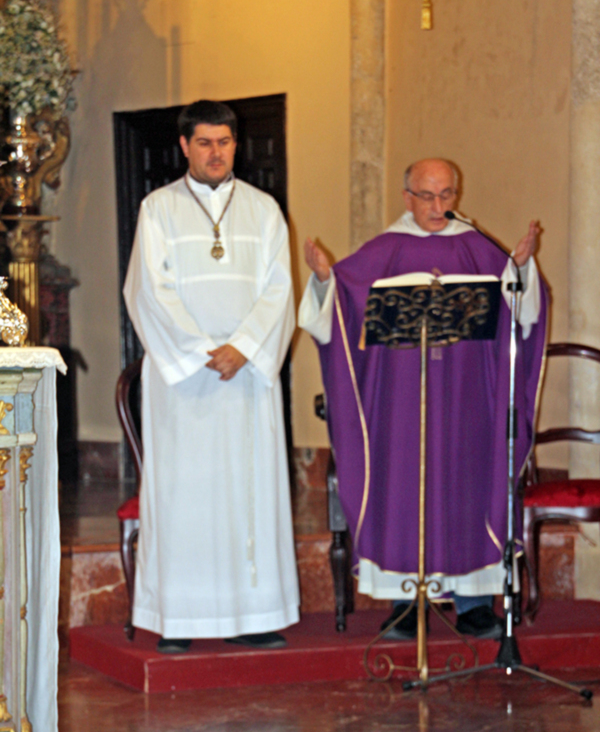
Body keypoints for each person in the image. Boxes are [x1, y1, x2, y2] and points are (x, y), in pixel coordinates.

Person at [299, 158, 546, 640]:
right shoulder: (383, 251)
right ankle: (405, 605)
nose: (438, 206)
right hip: (401, 408)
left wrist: (519, 268)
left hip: (469, 403)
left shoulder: (479, 247)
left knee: (470, 489)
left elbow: (521, 312)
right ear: (407, 197)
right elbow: (340, 311)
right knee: (402, 491)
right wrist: (327, 279)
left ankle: (474, 605)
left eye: (447, 195)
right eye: (428, 196)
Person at [124, 100, 299, 652]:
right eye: (204, 143)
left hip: (246, 380)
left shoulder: (264, 210)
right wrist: (205, 352)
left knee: (250, 493)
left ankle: (255, 615)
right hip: (184, 383)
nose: (216, 152)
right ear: (184, 146)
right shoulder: (158, 209)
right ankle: (179, 619)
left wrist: (244, 348)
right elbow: (148, 290)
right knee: (185, 497)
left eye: (224, 142)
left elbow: (279, 289)